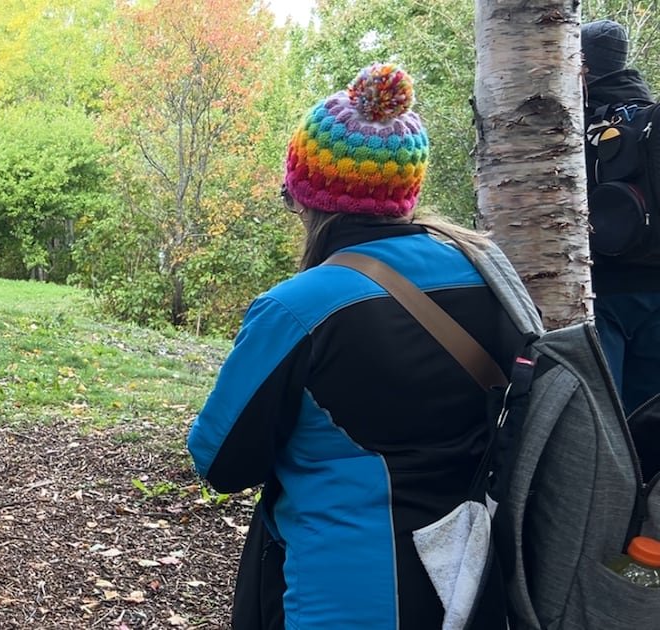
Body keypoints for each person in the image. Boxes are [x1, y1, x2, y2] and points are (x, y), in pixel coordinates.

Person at [187, 64, 526, 628]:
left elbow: (220, 461)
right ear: (408, 192)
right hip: (475, 577)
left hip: (349, 593)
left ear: (305, 194)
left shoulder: (299, 308)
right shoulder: (490, 276)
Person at [582, 19, 660, 415]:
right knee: (649, 421)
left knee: (604, 423)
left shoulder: (573, 125)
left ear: (582, 66)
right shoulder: (650, 116)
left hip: (604, 293)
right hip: (657, 289)